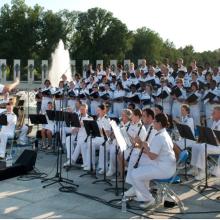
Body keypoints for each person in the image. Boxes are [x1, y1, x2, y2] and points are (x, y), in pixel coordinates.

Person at [126, 113, 176, 209]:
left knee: (135, 174)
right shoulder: (164, 133)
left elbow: (152, 156)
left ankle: (148, 198)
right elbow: (153, 153)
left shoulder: (160, 137)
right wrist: (144, 146)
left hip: (163, 169)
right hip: (166, 166)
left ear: (159, 123)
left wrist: (144, 145)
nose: (153, 122)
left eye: (155, 121)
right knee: (139, 166)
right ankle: (139, 192)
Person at [189, 106, 220, 180]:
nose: (212, 113)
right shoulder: (215, 122)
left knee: (203, 148)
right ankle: (194, 169)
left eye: (214, 112)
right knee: (195, 146)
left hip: (218, 146)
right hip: (213, 143)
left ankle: (203, 172)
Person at [63, 103, 92, 168]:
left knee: (80, 143)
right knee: (68, 139)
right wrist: (74, 129)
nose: (81, 111)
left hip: (85, 137)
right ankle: (71, 159)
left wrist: (78, 124)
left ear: (86, 110)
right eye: (80, 109)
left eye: (83, 109)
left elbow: (83, 126)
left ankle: (72, 160)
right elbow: (76, 126)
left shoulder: (89, 118)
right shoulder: (79, 116)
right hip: (78, 135)